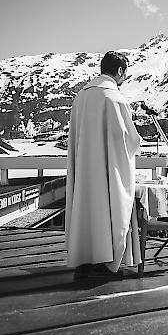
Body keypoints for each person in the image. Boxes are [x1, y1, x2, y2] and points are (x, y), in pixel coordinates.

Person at [65, 51, 142, 280]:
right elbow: (127, 141)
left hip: (85, 172)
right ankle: (105, 261)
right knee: (108, 209)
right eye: (125, 73)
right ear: (119, 71)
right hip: (108, 173)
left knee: (86, 209)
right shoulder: (115, 99)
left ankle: (84, 259)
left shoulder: (81, 98)